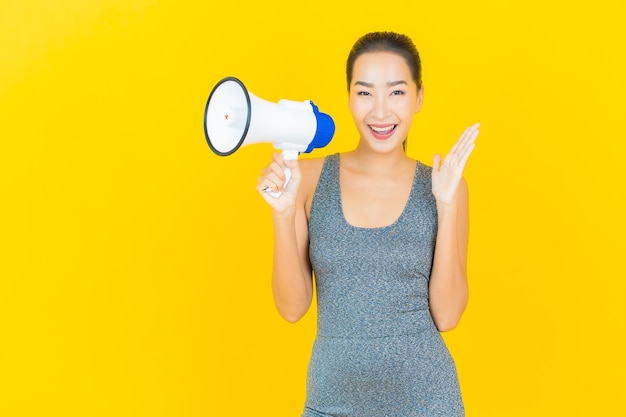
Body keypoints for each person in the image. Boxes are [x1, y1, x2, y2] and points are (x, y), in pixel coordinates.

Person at [256, 31, 478, 417]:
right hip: (331, 404)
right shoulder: (307, 179)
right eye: (364, 93)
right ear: (348, 98)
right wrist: (282, 213)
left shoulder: (446, 187)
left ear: (419, 97)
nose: (380, 112)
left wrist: (445, 204)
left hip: (427, 404)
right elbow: (292, 308)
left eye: (396, 92)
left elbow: (448, 315)